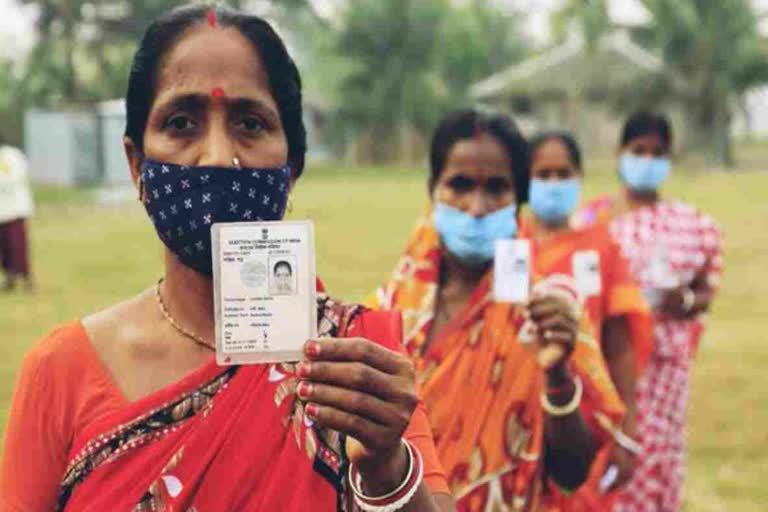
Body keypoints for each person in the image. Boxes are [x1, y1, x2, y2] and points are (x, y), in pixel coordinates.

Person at [0, 5, 453, 511]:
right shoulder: (60, 373)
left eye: (251, 123)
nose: (217, 156)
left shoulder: (356, 360)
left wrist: (388, 466)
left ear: (292, 168)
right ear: (136, 166)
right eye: (181, 122)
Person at [367, 109, 625, 511]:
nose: (477, 206)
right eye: (461, 185)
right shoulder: (392, 307)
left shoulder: (547, 312)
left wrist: (557, 376)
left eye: (496, 188)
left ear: (518, 202)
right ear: (434, 188)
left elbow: (572, 473)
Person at [574, 111, 723, 512]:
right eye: (639, 150)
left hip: (664, 369)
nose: (647, 159)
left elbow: (706, 287)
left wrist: (686, 302)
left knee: (658, 457)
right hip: (607, 364)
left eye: (657, 152)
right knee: (607, 454)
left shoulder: (691, 224)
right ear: (621, 153)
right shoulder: (590, 220)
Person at [521, 131, 653, 510]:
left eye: (563, 174)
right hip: (513, 414)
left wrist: (626, 431)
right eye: (542, 174)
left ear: (579, 177)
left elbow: (620, 345)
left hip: (584, 416)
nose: (553, 184)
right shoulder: (506, 244)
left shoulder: (601, 246)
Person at [0, 137, 34, 291]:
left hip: (15, 209)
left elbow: (13, 178)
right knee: (4, 248)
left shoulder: (10, 155)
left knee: (17, 246)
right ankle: (10, 279)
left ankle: (27, 279)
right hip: (2, 210)